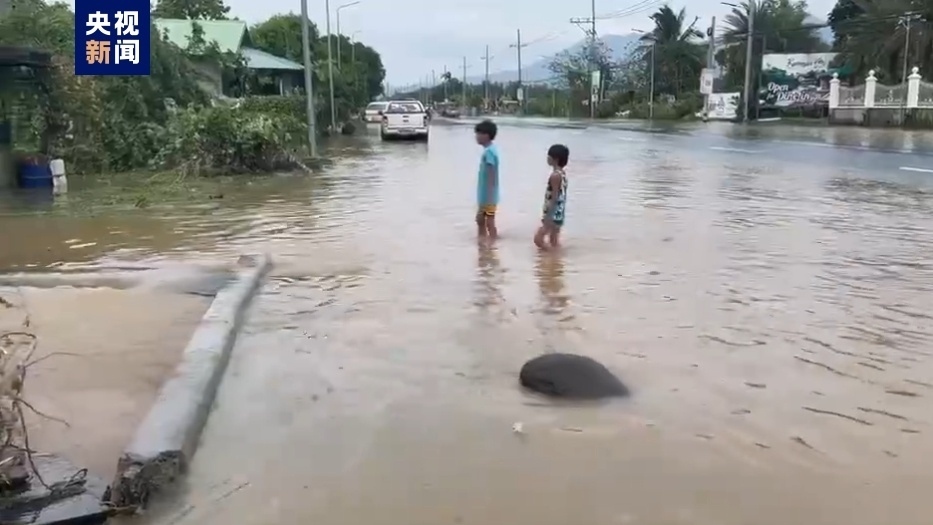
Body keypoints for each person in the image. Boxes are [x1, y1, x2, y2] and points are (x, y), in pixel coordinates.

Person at [534, 144, 569, 250]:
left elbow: (554, 197)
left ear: (555, 159)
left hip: (553, 213)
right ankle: (556, 257)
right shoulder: (562, 174)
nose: (547, 158)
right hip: (559, 213)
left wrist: (548, 216)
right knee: (554, 240)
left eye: (549, 156)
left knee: (538, 239)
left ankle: (552, 254)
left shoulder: (555, 176)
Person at [474, 120, 500, 239]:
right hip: (486, 196)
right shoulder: (490, 150)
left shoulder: (489, 152)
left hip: (488, 196)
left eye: (478, 134)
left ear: (486, 135)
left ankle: (491, 242)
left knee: (489, 221)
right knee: (480, 220)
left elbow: (491, 175)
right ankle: (483, 243)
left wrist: (488, 199)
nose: (476, 137)